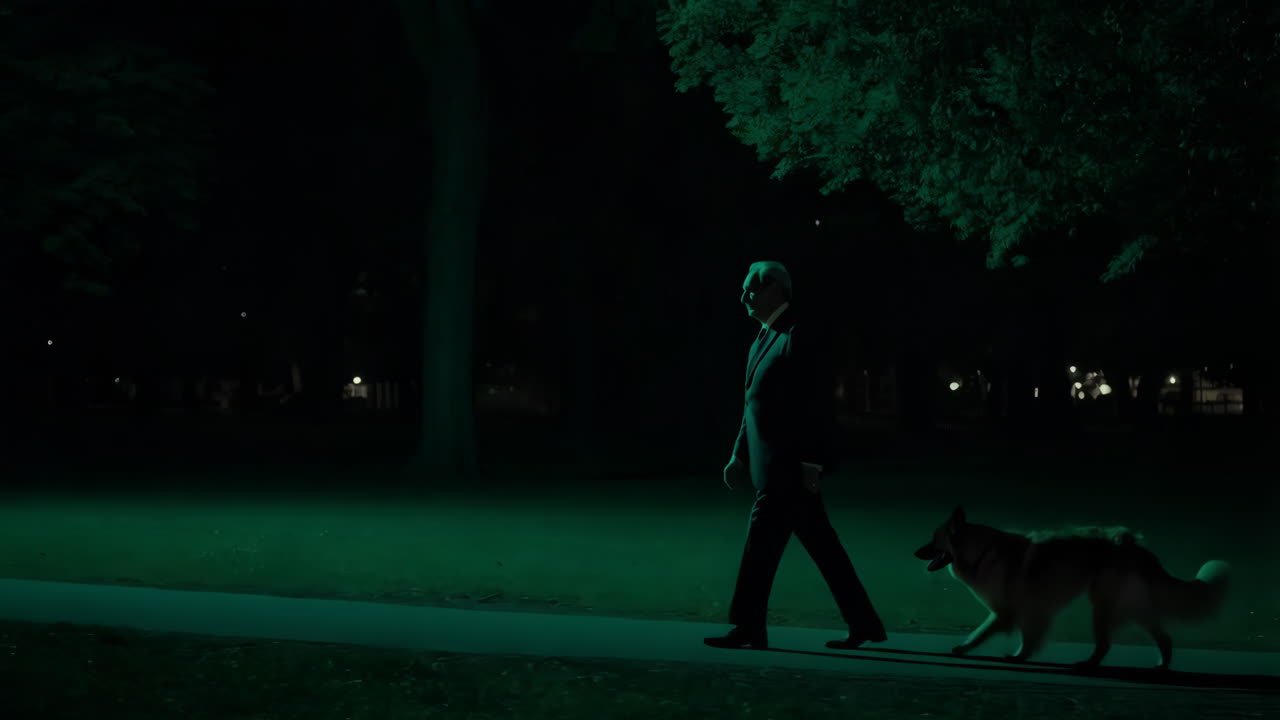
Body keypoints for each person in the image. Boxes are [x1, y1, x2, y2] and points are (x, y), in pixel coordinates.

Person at [704, 261, 887, 651]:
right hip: (771, 469)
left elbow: (815, 405)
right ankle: (864, 623)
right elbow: (751, 405)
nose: (743, 297)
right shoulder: (762, 340)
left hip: (788, 470)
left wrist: (810, 464)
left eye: (750, 288)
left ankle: (748, 628)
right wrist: (738, 455)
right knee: (824, 549)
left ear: (775, 289)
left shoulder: (798, 335)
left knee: (760, 549)